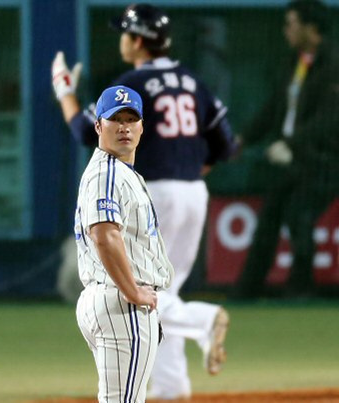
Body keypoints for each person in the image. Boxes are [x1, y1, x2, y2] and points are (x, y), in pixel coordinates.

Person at [52, 3, 234, 399]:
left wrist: (65, 93)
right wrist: (190, 168)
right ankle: (172, 387)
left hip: (151, 196)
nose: (122, 39)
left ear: (137, 40)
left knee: (144, 289)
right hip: (193, 192)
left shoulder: (132, 83)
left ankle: (202, 321)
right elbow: (225, 143)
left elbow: (85, 132)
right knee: (165, 285)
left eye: (124, 33)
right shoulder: (192, 80)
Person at [74, 84, 172, 403]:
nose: (124, 127)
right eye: (116, 119)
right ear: (99, 126)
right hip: (121, 301)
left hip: (110, 299)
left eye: (131, 118)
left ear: (142, 126)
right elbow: (104, 234)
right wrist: (132, 291)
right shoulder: (108, 174)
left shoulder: (119, 172)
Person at [235, 0, 339, 299]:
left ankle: (302, 289)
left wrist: (291, 144)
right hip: (288, 160)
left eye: (291, 23)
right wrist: (245, 139)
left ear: (311, 27)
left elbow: (329, 119)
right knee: (268, 220)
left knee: (299, 214)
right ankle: (247, 292)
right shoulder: (294, 61)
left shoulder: (333, 64)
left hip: (322, 162)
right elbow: (273, 109)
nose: (286, 30)